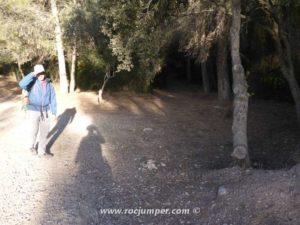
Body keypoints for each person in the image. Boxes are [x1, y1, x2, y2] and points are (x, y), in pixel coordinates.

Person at [19, 64, 57, 157]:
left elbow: (53, 98)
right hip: (33, 111)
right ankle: (31, 147)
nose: (41, 75)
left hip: (45, 112)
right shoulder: (32, 82)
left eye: (42, 73)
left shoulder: (49, 84)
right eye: (38, 74)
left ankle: (42, 151)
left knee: (44, 133)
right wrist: (33, 74)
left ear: (45, 73)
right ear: (36, 74)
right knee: (34, 131)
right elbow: (21, 84)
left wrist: (54, 112)